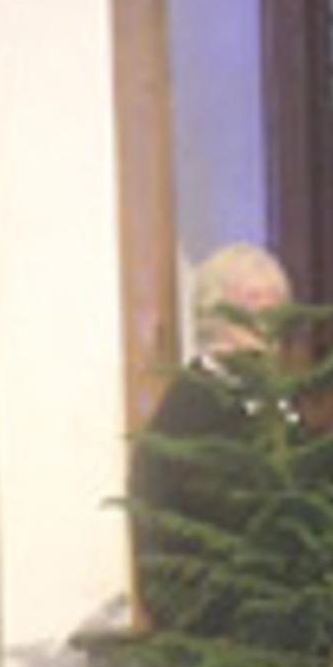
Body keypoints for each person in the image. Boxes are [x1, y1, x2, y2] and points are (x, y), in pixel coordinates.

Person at [129, 243, 295, 633]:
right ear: (215, 314)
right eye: (253, 304)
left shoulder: (273, 400)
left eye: (277, 305)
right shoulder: (193, 409)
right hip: (215, 621)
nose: (268, 319)